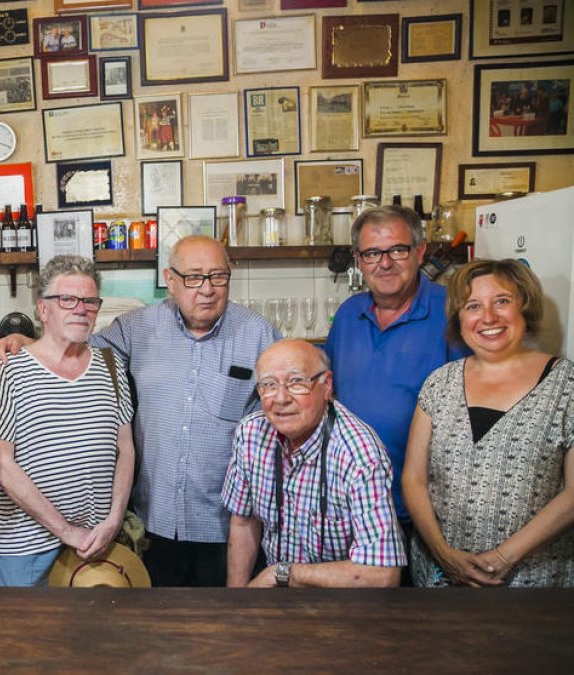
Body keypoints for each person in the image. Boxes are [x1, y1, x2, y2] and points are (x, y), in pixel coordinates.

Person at [0, 236, 279, 586]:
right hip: (154, 526)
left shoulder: (261, 336)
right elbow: (68, 344)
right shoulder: (135, 328)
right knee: (151, 632)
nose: (206, 289)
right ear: (169, 280)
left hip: (227, 524)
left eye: (218, 277)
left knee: (221, 631)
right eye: (193, 277)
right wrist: (26, 342)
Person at [402, 260, 574, 587]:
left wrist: (502, 558)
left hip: (532, 582)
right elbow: (414, 479)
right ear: (460, 318)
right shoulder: (440, 383)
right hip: (440, 577)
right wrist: (444, 554)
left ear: (525, 305)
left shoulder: (566, 383)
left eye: (502, 301)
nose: (489, 317)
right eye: (473, 306)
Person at [324, 205, 468, 566]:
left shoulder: (454, 310)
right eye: (372, 253)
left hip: (426, 511)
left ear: (420, 252)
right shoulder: (348, 314)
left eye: (397, 250)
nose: (384, 263)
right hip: (355, 505)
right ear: (358, 259)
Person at [0, 256, 135, 586]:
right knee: (27, 637)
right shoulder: (11, 371)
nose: (81, 308)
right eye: (67, 299)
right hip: (26, 548)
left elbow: (126, 449)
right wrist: (67, 531)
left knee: (90, 636)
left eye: (90, 301)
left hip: (96, 543)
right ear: (42, 309)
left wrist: (114, 520)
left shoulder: (111, 366)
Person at [223, 340, 405, 588]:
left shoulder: (360, 453)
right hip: (274, 601)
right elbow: (244, 522)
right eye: (268, 385)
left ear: (326, 385)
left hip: (344, 604)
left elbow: (383, 575)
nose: (280, 398)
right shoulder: (250, 433)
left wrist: (282, 573)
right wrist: (237, 603)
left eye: (296, 382)